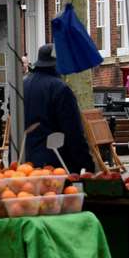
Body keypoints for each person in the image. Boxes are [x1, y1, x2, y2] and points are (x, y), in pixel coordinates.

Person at [22, 44, 94, 172]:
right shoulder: (60, 89)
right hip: (55, 163)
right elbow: (73, 132)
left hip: (24, 161)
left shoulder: (23, 85)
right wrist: (87, 165)